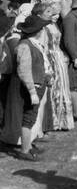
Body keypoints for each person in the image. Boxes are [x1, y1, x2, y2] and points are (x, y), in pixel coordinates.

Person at [10, 14, 49, 160]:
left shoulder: (32, 43)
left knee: (31, 117)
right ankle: (25, 150)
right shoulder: (25, 46)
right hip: (32, 87)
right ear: (37, 31)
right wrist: (32, 92)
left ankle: (29, 146)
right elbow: (24, 70)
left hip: (37, 84)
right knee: (28, 119)